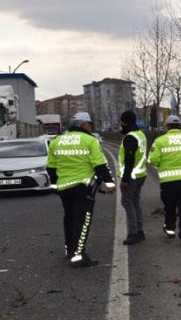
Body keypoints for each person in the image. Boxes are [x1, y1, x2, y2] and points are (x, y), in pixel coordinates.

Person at [47, 112, 116, 267]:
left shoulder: (56, 141)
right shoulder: (90, 140)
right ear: (84, 125)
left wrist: (55, 185)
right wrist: (109, 183)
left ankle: (69, 250)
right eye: (90, 124)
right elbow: (99, 164)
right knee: (82, 221)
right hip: (83, 187)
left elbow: (51, 167)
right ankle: (78, 256)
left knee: (69, 218)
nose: (91, 127)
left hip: (64, 187)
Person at [149, 115, 181, 247]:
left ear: (166, 126)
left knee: (169, 206)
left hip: (168, 179)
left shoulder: (160, 141)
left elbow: (153, 160)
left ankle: (170, 229)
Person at [117, 111, 147, 245]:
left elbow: (129, 159)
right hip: (140, 174)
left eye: (121, 121)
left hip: (131, 176)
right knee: (135, 202)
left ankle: (133, 232)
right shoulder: (140, 134)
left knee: (127, 202)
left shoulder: (130, 137)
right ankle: (140, 231)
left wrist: (124, 179)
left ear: (125, 122)